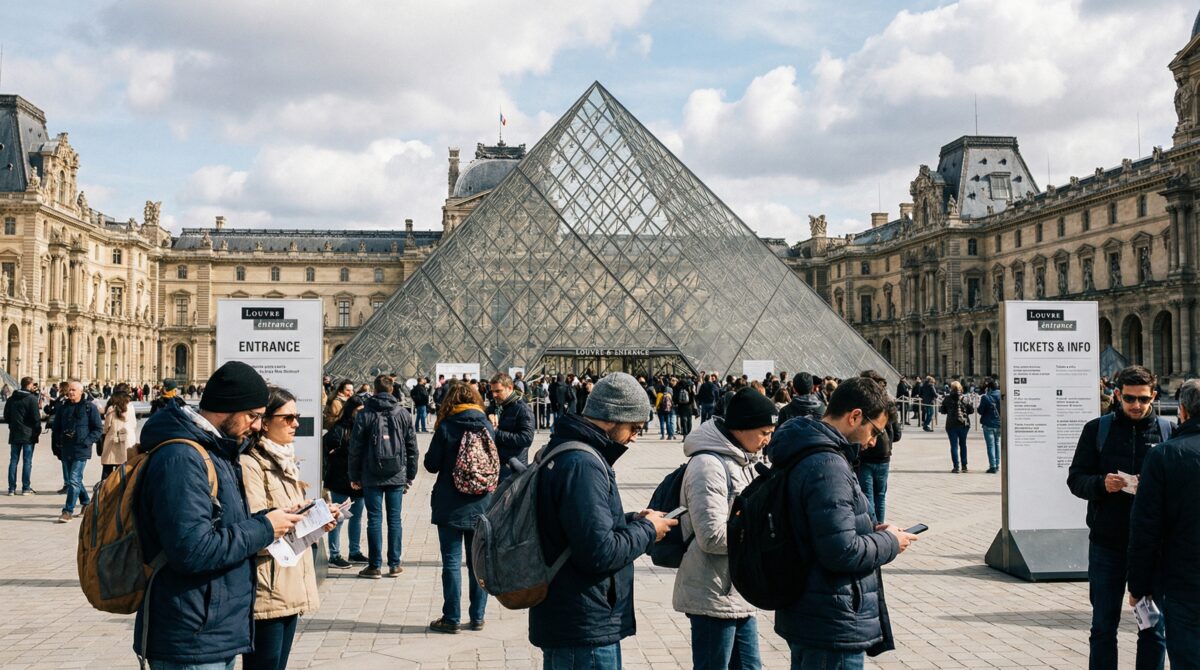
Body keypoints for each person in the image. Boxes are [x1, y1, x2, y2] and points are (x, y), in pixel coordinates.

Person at [133, 361, 311, 669]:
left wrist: (275, 517)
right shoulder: (182, 458)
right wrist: (265, 527)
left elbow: (226, 526)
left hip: (212, 626)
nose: (257, 426)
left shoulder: (217, 452)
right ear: (228, 407)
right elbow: (192, 550)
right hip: (191, 633)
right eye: (253, 416)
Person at [766, 376, 919, 668]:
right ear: (855, 416)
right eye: (874, 431)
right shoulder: (828, 465)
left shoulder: (808, 450)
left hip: (811, 609)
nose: (874, 441)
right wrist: (889, 542)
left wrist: (870, 531)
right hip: (831, 617)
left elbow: (823, 528)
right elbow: (841, 551)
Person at [530, 372, 677, 668]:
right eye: (634, 427)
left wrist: (633, 519)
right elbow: (599, 552)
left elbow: (577, 527)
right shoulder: (583, 464)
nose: (635, 437)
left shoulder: (566, 451)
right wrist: (648, 530)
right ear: (611, 418)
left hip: (572, 615)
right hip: (583, 622)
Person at [1067, 365, 1167, 670]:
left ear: (1154, 396)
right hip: (1107, 544)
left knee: (1153, 628)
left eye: (1143, 399)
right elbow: (1076, 480)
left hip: (1153, 548)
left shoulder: (1166, 431)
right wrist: (1101, 484)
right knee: (1103, 628)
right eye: (1130, 399)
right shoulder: (1097, 429)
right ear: (1117, 394)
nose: (1137, 405)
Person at [672, 388, 776, 669]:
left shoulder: (744, 460)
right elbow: (712, 536)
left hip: (737, 588)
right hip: (712, 592)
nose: (768, 440)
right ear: (741, 427)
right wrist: (766, 536)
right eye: (764, 432)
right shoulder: (708, 465)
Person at [240, 386, 321, 670]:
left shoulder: (283, 458)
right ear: (265, 421)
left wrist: (316, 518)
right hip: (268, 583)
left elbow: (282, 513)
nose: (296, 423)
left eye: (296, 416)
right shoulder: (250, 463)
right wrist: (296, 518)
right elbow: (255, 525)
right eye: (288, 417)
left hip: (289, 577)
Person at [1128, 378, 1200, 667]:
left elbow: (1145, 529)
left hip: (1183, 580)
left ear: (1181, 411)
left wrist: (1138, 586)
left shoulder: (1164, 455)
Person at [423, 382, 495, 633]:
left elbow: (431, 465)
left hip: (450, 504)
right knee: (477, 564)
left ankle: (451, 618)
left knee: (451, 564)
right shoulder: (486, 425)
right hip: (481, 504)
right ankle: (477, 617)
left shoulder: (446, 426)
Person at [349, 374, 419, 579]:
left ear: (374, 389)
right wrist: (410, 475)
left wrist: (354, 475)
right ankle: (395, 564)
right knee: (395, 520)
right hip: (397, 473)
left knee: (374, 520)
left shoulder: (364, 413)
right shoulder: (403, 413)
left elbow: (355, 448)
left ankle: (375, 566)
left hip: (371, 474)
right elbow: (412, 447)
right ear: (392, 390)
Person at [323, 393, 367, 568]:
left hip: (358, 479)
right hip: (340, 479)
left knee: (356, 517)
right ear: (351, 411)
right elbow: (329, 449)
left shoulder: (364, 427)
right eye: (359, 410)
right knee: (338, 517)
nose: (362, 414)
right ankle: (334, 555)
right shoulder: (339, 428)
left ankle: (354, 552)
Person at [52, 381, 103, 523]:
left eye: (73, 390)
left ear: (81, 392)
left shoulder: (89, 408)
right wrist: (57, 445)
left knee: (73, 479)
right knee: (74, 479)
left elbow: (98, 429)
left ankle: (67, 511)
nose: (70, 392)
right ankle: (86, 502)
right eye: (69, 390)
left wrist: (87, 441)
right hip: (66, 448)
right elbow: (56, 428)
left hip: (81, 448)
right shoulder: (63, 408)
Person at [858, 370, 900, 523]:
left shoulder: (862, 403)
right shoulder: (889, 402)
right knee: (880, 495)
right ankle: (880, 526)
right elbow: (898, 434)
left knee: (867, 495)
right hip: (884, 456)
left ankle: (872, 527)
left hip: (866, 455)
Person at [487, 372, 534, 481]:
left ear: (509, 388)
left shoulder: (522, 409)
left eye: (498, 391)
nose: (494, 395)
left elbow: (526, 438)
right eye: (492, 391)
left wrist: (495, 432)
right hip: (495, 463)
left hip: (512, 467)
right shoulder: (494, 407)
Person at [5, 376, 40, 496]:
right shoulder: (31, 399)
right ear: (29, 385)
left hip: (15, 433)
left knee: (13, 461)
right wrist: (37, 430)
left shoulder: (11, 399)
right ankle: (25, 488)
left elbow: (6, 415)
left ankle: (11, 488)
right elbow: (36, 418)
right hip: (28, 435)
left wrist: (13, 425)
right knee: (27, 461)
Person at [100, 384, 136, 481]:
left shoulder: (112, 408)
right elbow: (134, 424)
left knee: (107, 470)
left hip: (113, 442)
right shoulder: (131, 407)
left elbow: (106, 427)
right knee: (123, 472)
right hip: (128, 442)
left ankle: (105, 491)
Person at [940, 381, 972, 473]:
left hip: (951, 425)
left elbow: (942, 411)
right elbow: (971, 411)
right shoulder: (965, 398)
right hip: (963, 424)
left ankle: (956, 466)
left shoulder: (947, 398)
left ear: (951, 388)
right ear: (960, 388)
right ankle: (964, 465)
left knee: (954, 445)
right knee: (963, 444)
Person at [978, 380, 1002, 473]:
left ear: (990, 388)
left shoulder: (986, 397)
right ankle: (997, 465)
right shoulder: (1002, 395)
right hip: (999, 423)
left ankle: (992, 466)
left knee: (990, 446)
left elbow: (980, 411)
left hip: (988, 424)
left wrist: (986, 394)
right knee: (997, 444)